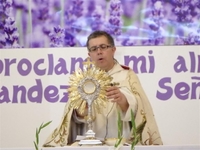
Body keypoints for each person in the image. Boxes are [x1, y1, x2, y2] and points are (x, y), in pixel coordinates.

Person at [43, 30, 163, 147]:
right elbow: (73, 118)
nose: (99, 52)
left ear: (113, 50)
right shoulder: (84, 80)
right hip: (92, 145)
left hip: (120, 143)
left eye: (103, 47)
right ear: (89, 55)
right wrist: (81, 111)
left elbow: (142, 108)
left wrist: (124, 101)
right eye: (94, 49)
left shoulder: (127, 75)